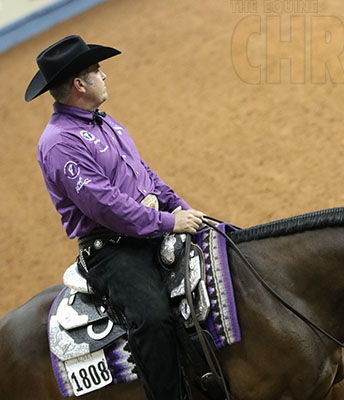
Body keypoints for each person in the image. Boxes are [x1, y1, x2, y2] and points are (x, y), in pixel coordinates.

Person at [26, 35, 205, 400]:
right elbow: (104, 205)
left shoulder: (105, 123)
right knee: (151, 319)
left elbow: (145, 174)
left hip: (146, 229)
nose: (104, 75)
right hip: (112, 251)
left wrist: (179, 206)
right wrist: (170, 223)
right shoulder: (60, 142)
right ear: (79, 84)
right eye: (96, 70)